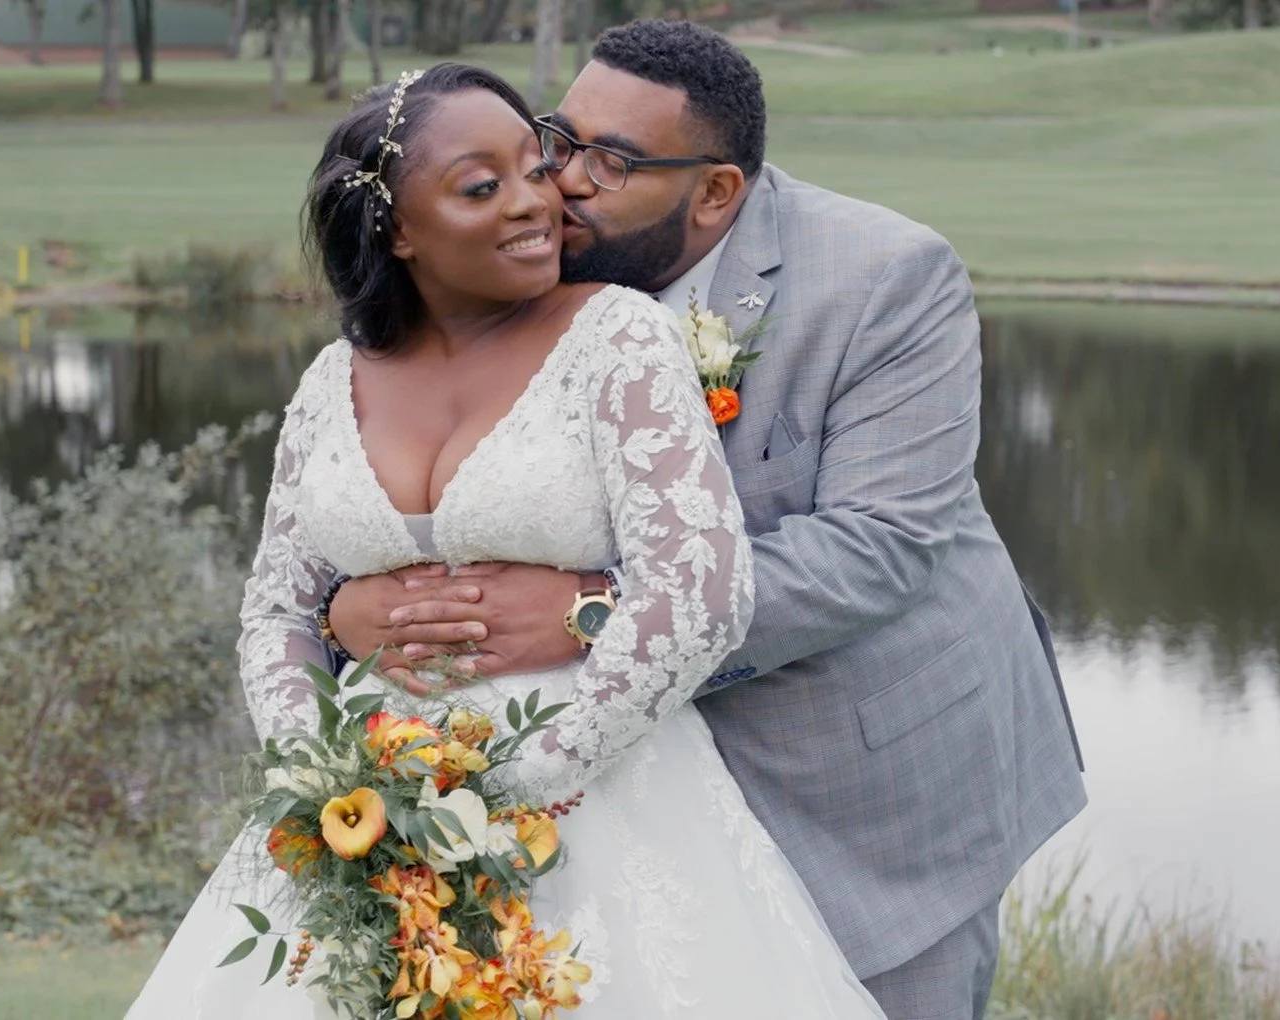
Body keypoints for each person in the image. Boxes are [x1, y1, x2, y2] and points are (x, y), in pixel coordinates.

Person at [325, 21, 1087, 1020]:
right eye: (558, 137)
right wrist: (355, 611)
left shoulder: (885, 281)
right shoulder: (518, 258)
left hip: (865, 793)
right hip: (611, 794)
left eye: (612, 161)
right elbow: (387, 482)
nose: (559, 180)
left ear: (716, 191)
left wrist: (589, 612)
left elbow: (877, 551)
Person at [126, 63, 888, 1018]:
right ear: (398, 229)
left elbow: (700, 592)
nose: (537, 201)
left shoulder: (618, 337)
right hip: (368, 813)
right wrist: (323, 777)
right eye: (482, 187)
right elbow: (277, 605)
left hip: (590, 799)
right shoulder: (332, 380)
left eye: (535, 168)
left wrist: (518, 788)